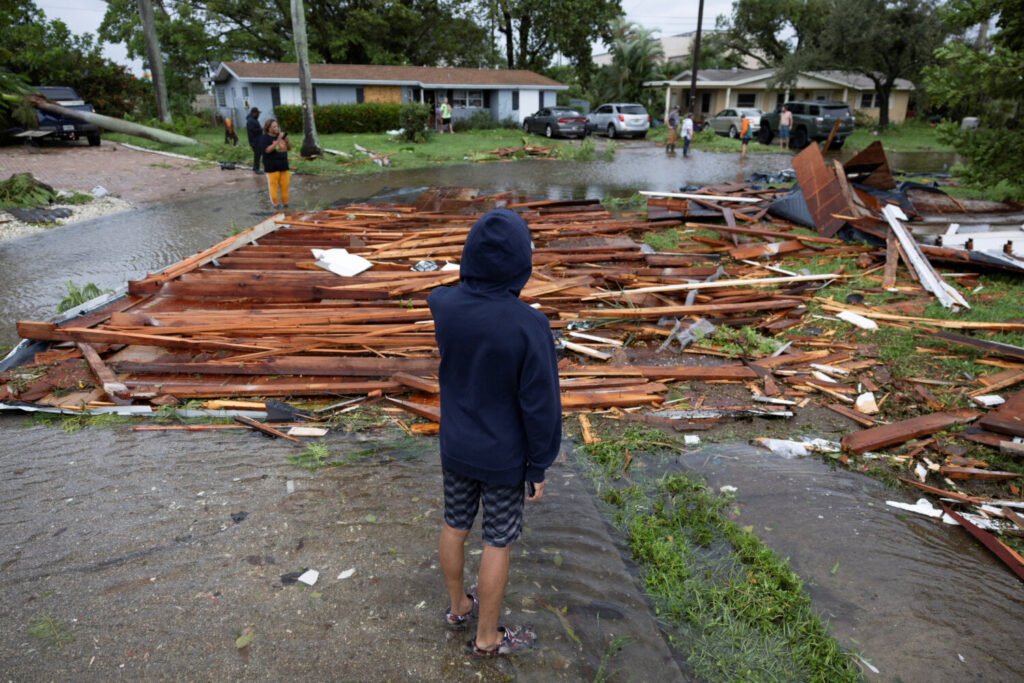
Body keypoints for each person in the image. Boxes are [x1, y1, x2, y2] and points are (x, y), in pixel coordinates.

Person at [427, 208, 561, 658]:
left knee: (454, 524)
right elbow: (540, 405)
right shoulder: (530, 326)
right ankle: (486, 639)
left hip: (456, 446)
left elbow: (438, 292)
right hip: (504, 457)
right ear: (521, 265)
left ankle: (457, 607)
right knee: (496, 540)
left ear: (469, 257)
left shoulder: (443, 305)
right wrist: (539, 463)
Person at [259, 118, 290, 209]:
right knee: (273, 186)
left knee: (285, 185)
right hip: (271, 166)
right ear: (268, 128)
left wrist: (287, 141)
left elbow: (287, 148)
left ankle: (285, 204)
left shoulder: (281, 136)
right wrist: (278, 140)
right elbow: (267, 150)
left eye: (277, 126)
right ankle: (275, 205)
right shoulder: (264, 138)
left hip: (283, 165)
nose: (277, 128)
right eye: (274, 127)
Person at [246, 107, 264, 174]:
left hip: (257, 140)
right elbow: (253, 131)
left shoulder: (253, 119)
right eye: (258, 113)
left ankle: (255, 168)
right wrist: (261, 129)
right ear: (254, 113)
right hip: (255, 141)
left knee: (258, 155)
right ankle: (257, 169)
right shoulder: (251, 121)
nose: (259, 115)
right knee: (257, 155)